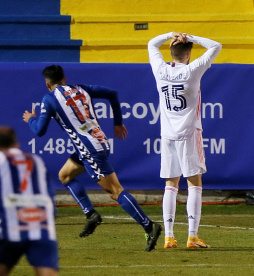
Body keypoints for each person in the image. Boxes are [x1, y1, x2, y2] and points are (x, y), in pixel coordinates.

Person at [23, 65, 162, 251]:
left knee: (115, 191)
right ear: (64, 79)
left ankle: (149, 226)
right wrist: (118, 122)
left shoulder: (49, 99)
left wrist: (30, 119)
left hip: (90, 150)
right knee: (65, 176)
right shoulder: (81, 88)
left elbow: (39, 130)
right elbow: (112, 93)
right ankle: (90, 214)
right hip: (97, 142)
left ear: (48, 84)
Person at [148, 32, 222, 249]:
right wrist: (191, 36)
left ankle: (169, 237)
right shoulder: (192, 70)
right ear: (188, 54)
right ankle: (192, 236)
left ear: (171, 52)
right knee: (194, 183)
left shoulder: (160, 69)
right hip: (190, 133)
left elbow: (152, 43)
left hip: (168, 134)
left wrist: (171, 34)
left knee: (170, 184)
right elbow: (215, 44)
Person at [0, 126, 58, 276]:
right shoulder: (37, 161)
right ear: (17, 145)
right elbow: (49, 194)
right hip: (40, 225)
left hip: (9, 228)